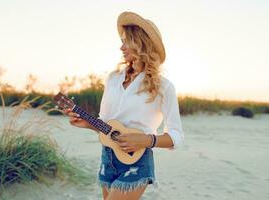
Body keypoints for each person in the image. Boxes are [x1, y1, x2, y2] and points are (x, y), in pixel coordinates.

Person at [64, 11, 184, 200]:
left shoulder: (164, 87)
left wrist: (146, 140)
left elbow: (176, 136)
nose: (121, 47)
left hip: (136, 163)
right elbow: (107, 125)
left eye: (126, 41)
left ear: (141, 43)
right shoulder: (112, 79)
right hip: (107, 159)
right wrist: (88, 123)